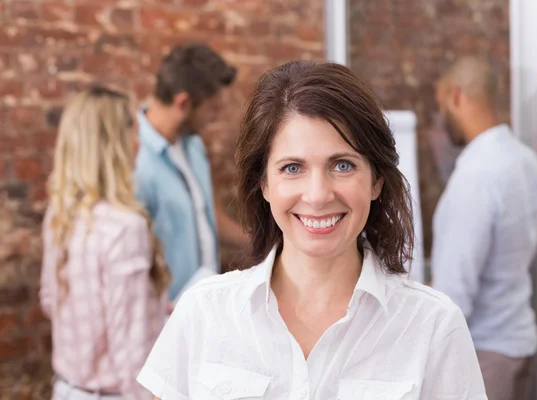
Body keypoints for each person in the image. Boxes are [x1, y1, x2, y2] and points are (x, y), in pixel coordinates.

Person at [137, 60, 487, 399]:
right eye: (292, 168)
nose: (318, 196)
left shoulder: (434, 326)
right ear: (264, 184)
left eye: (343, 164)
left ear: (377, 180)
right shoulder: (202, 312)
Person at [40, 86, 171, 400]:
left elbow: (50, 299)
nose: (139, 144)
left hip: (67, 388)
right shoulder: (126, 227)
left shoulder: (60, 212)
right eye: (134, 133)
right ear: (113, 142)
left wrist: (152, 307)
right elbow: (132, 348)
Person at [431, 56, 537, 400]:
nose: (441, 117)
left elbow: (455, 292)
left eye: (440, 105)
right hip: (518, 344)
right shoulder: (525, 160)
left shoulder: (475, 177)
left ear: (455, 95)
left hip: (484, 356)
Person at [135, 42, 248, 302]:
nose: (216, 117)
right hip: (166, 318)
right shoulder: (135, 159)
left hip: (204, 306)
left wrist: (263, 243)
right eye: (213, 109)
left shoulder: (194, 145)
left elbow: (207, 215)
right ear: (184, 103)